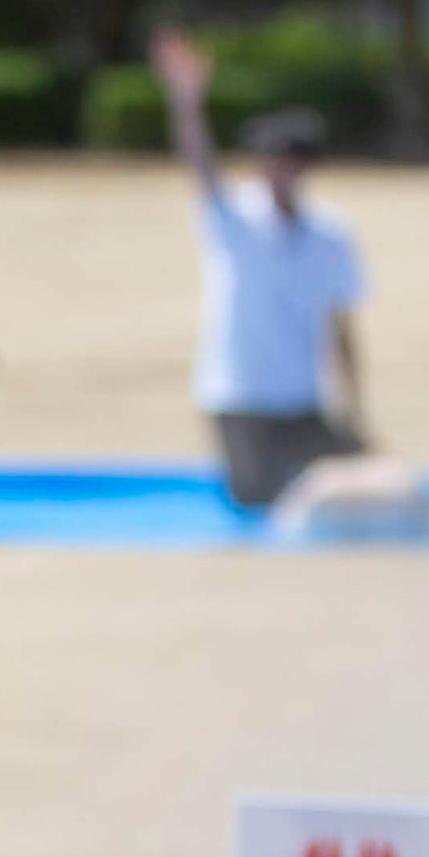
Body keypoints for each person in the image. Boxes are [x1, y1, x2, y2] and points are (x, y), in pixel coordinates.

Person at [151, 30, 369, 511]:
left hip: (302, 400)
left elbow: (342, 326)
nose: (283, 170)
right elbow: (200, 166)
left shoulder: (331, 233)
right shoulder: (235, 220)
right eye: (275, 159)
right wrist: (187, 102)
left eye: (294, 160)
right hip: (239, 397)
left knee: (363, 484)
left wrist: (353, 408)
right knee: (260, 501)